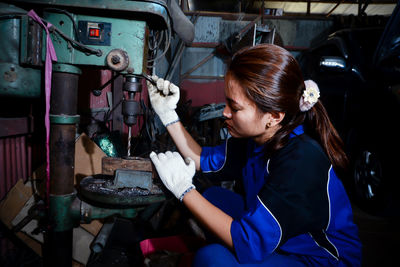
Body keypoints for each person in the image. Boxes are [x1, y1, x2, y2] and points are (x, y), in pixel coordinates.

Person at [147, 43, 362, 266]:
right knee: (214, 198)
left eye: (235, 107)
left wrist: (184, 190)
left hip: (316, 259)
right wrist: (168, 114)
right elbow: (201, 159)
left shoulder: (301, 162)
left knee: (210, 259)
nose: (225, 112)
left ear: (274, 116)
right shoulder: (259, 139)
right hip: (284, 241)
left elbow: (248, 241)